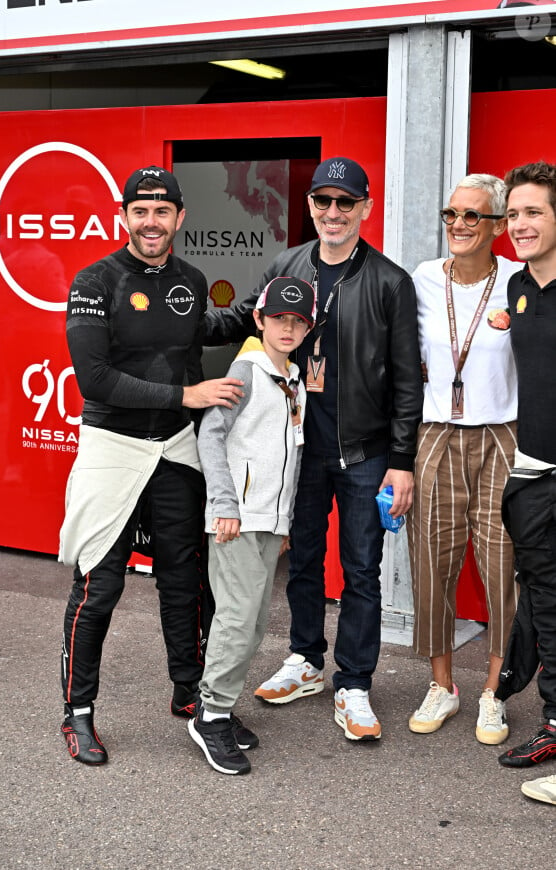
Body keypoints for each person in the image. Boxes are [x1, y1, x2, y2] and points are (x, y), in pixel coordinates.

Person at [204, 157, 423, 740]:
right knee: (300, 562)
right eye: (323, 202)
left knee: (360, 570)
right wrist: (171, 323)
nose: (332, 213)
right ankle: (304, 659)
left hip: (365, 452)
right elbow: (241, 317)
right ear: (310, 206)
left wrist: (402, 462)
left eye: (345, 203)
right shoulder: (288, 262)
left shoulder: (389, 281)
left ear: (365, 209)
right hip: (298, 449)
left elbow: (407, 380)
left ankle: (353, 683)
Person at [58, 165, 245, 765]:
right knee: (99, 584)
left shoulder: (191, 278)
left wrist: (275, 307)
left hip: (175, 449)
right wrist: (184, 397)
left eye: (162, 211)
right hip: (113, 445)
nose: (151, 221)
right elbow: (96, 379)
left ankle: (189, 693)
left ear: (180, 218)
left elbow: (199, 338)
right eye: (141, 210)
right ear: (124, 216)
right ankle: (78, 713)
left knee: (186, 581)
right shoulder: (95, 280)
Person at [407, 174, 520, 744]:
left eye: (473, 216)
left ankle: (493, 693)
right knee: (431, 564)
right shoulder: (424, 279)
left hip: (503, 436)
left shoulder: (521, 284)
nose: (459, 225)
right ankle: (442, 686)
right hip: (435, 433)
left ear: (498, 225)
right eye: (451, 213)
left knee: (503, 567)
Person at [189, 276, 316, 775]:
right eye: (278, 318)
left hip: (269, 520)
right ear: (259, 320)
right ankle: (210, 715)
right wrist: (224, 504)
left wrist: (283, 522)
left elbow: (294, 456)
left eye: (297, 321)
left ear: (306, 329)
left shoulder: (294, 380)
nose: (287, 328)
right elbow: (210, 438)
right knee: (238, 620)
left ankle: (219, 706)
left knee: (256, 622)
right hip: (235, 519)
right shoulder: (246, 370)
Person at [492, 161, 556, 774]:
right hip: (533, 469)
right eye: (513, 214)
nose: (520, 224)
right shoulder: (516, 287)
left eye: (534, 211)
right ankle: (555, 723)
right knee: (546, 599)